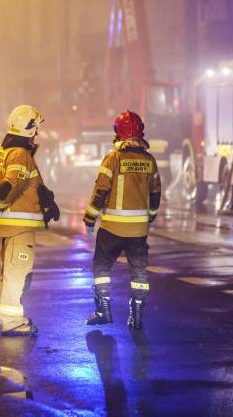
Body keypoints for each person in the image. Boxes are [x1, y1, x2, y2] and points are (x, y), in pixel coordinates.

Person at [0, 105, 60, 337]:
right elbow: (10, 187)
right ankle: (12, 322)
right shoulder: (21, 155)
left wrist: (46, 202)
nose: (38, 132)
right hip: (19, 228)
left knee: (11, 274)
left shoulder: (2, 152)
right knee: (17, 275)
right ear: (29, 128)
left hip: (7, 227)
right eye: (36, 127)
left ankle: (12, 318)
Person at [83, 110, 161, 329]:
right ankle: (136, 317)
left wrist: (90, 219)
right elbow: (156, 192)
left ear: (118, 132)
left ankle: (103, 310)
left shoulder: (114, 158)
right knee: (139, 273)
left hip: (112, 229)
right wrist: (150, 217)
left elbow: (101, 191)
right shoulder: (149, 160)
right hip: (138, 231)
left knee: (102, 268)